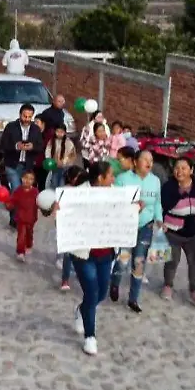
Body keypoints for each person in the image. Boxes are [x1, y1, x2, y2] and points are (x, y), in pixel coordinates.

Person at [64, 161, 121, 356]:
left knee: (102, 292)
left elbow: (123, 213)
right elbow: (64, 214)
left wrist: (134, 209)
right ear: (100, 178)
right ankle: (90, 337)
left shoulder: (116, 194)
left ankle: (82, 310)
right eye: (110, 175)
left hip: (106, 252)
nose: (113, 178)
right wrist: (58, 209)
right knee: (91, 291)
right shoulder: (79, 194)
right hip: (84, 253)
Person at [112, 149, 163, 313]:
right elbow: (114, 202)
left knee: (139, 262)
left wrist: (159, 219)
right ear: (135, 162)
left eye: (151, 160)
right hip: (126, 226)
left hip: (145, 227)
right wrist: (131, 207)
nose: (149, 163)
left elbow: (157, 202)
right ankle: (115, 283)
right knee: (123, 261)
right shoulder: (122, 179)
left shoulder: (155, 181)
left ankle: (133, 299)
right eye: (145, 159)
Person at [160, 158, 195, 305]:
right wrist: (181, 192)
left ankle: (194, 289)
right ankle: (168, 285)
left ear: (191, 170)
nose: (179, 171)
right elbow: (165, 204)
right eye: (177, 168)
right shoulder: (168, 186)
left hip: (194, 231)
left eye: (184, 168)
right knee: (171, 260)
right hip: (173, 231)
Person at [0, 103, 45, 227]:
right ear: (20, 115)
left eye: (29, 117)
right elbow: (3, 144)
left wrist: (32, 147)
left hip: (27, 166)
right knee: (16, 190)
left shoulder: (35, 129)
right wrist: (16, 146)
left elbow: (40, 146)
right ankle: (14, 219)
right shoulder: (11, 127)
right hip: (12, 165)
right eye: (25, 116)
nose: (27, 119)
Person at [54, 165, 88, 291]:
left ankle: (80, 274)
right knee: (68, 254)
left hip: (83, 225)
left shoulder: (87, 190)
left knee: (82, 252)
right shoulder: (64, 191)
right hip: (69, 225)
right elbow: (57, 209)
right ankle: (65, 279)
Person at [6, 169, 41, 261]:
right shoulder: (18, 191)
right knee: (21, 235)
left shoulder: (35, 192)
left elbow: (39, 203)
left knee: (29, 233)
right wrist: (8, 205)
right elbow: (12, 201)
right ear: (21, 178)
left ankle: (29, 245)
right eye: (26, 178)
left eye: (31, 179)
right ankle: (20, 252)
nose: (28, 180)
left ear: (33, 181)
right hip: (21, 218)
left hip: (31, 218)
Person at [45, 123, 77, 189]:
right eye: (57, 131)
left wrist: (63, 162)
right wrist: (51, 161)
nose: (59, 134)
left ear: (65, 133)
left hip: (65, 167)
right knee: (54, 183)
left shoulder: (69, 142)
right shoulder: (51, 141)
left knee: (62, 184)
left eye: (61, 132)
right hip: (54, 167)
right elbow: (48, 152)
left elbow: (71, 155)